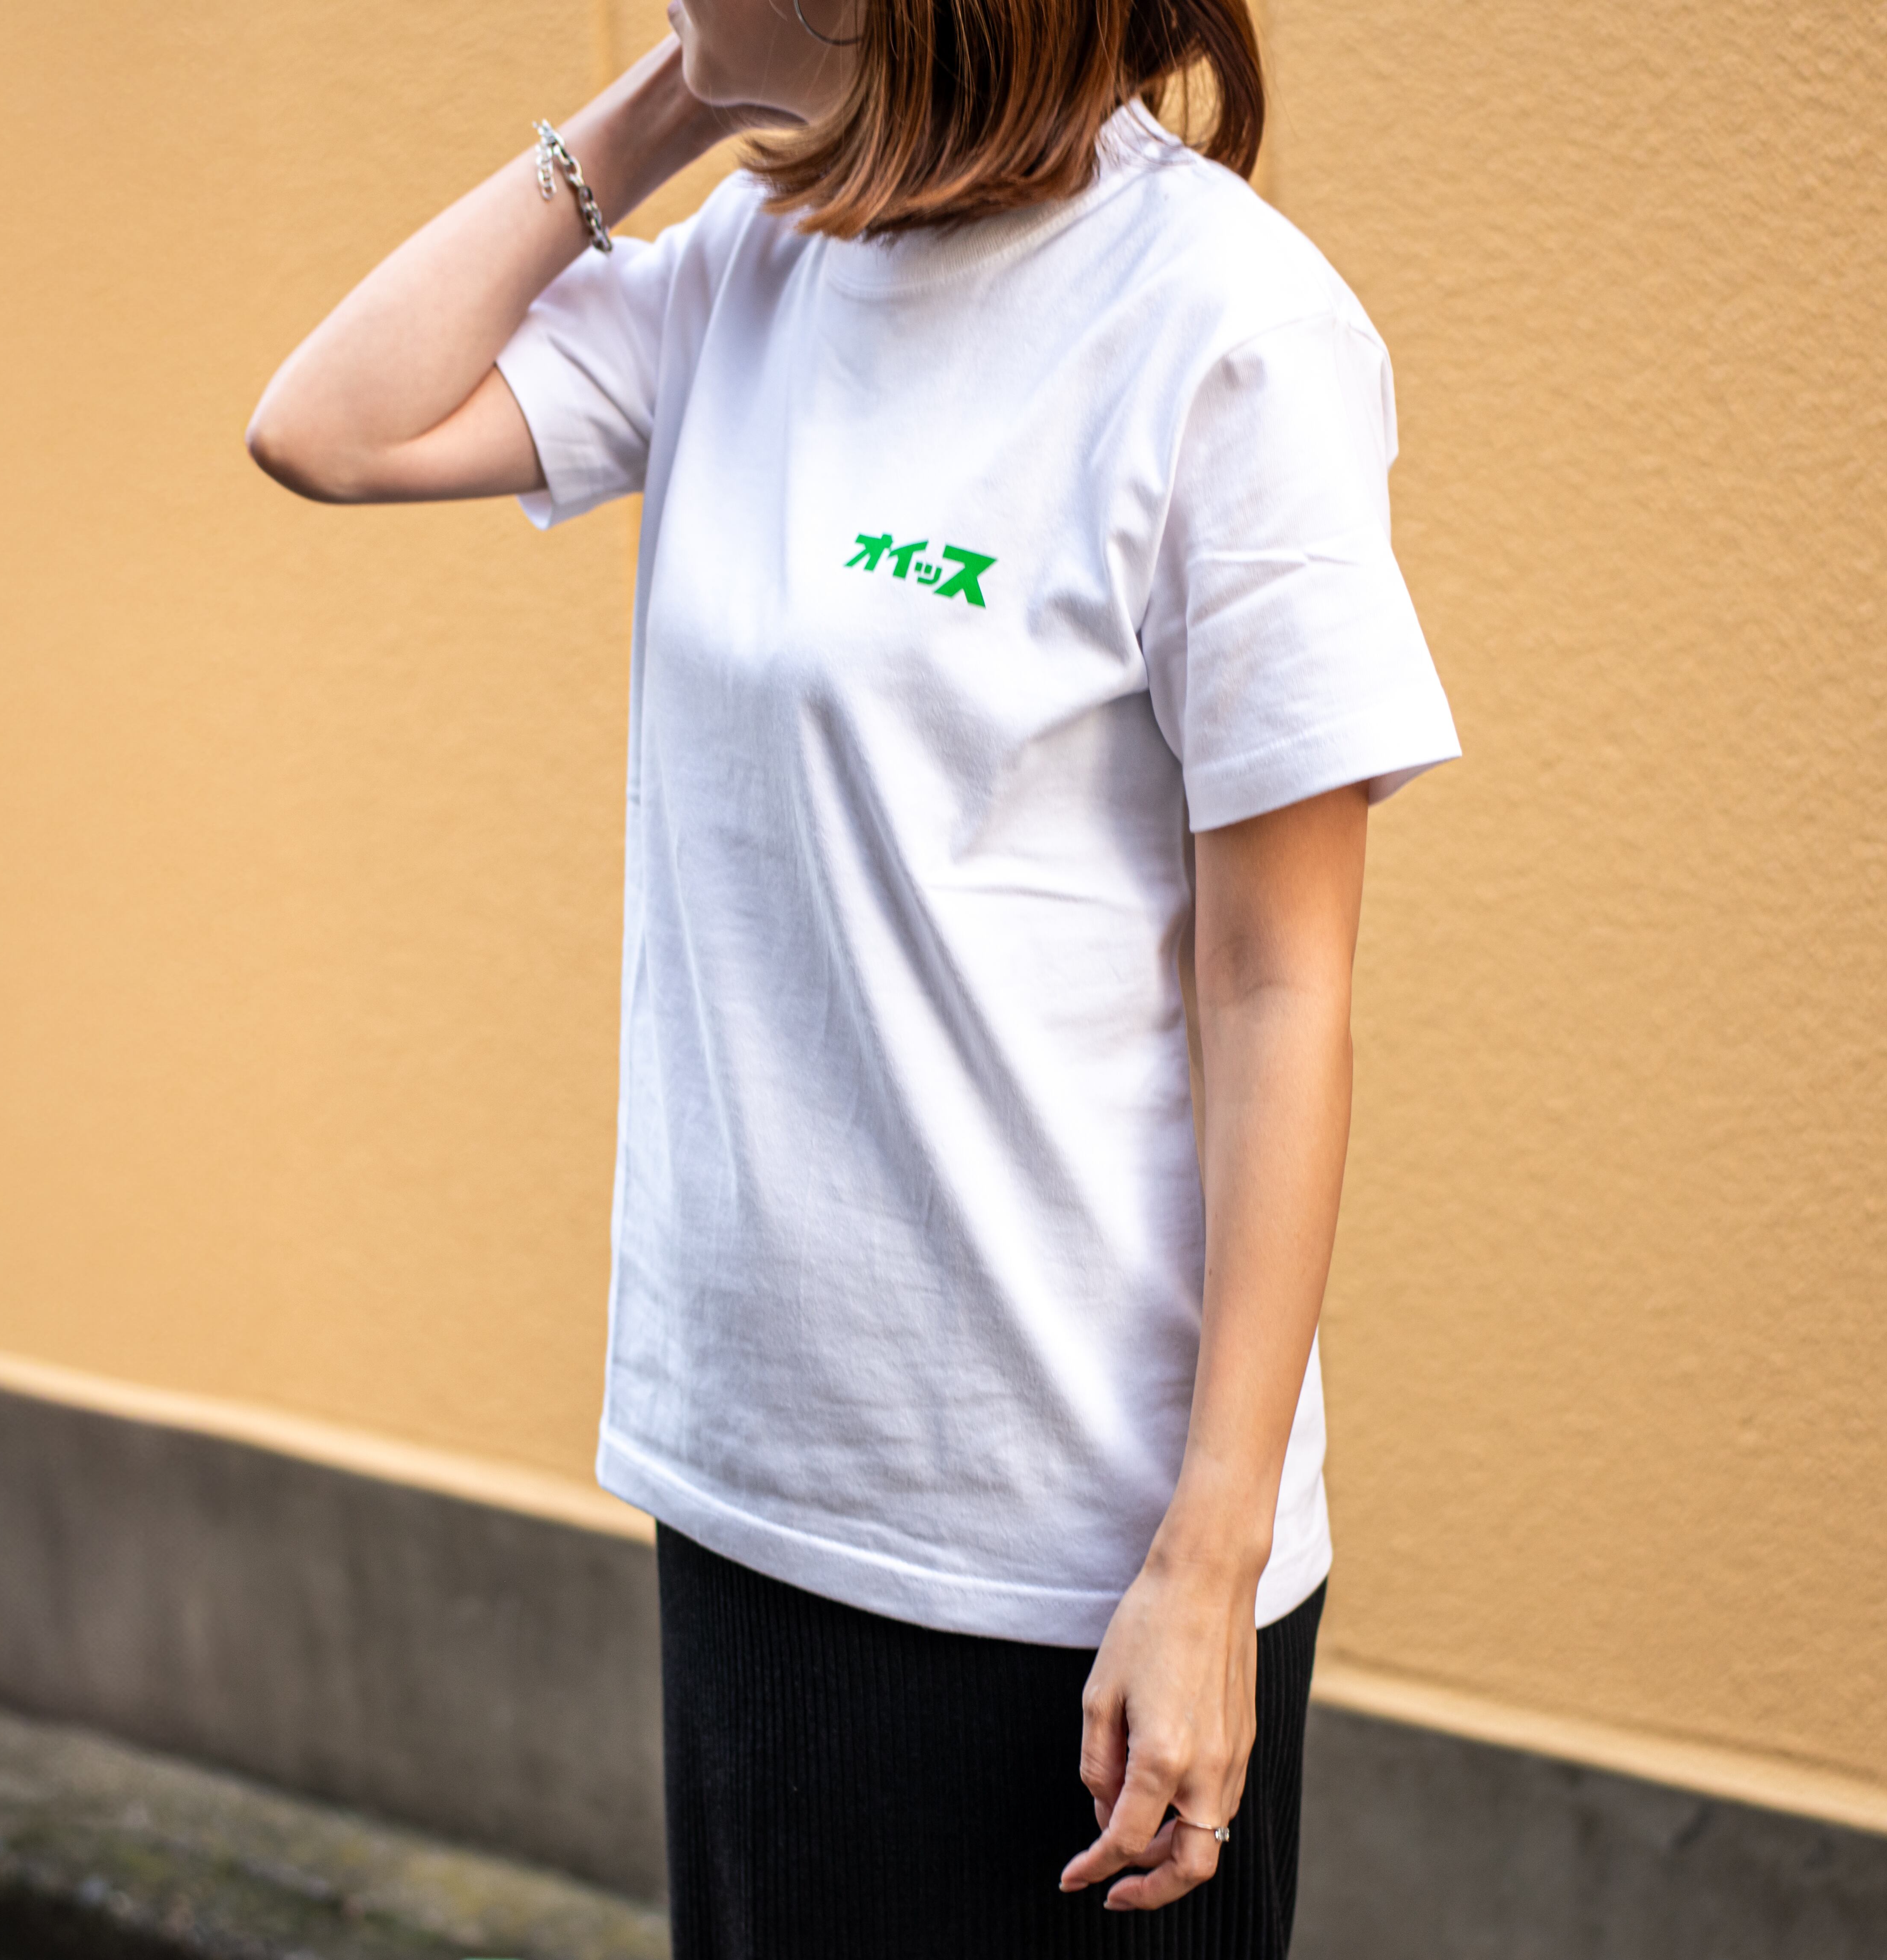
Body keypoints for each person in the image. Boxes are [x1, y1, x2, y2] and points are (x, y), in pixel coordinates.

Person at [246, 0, 1458, 1945]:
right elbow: (330, 426)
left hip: (1070, 1552)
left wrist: (1209, 1559)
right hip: (754, 1470)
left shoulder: (1228, 325)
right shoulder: (752, 260)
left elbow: (1278, 986)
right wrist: (673, 89)